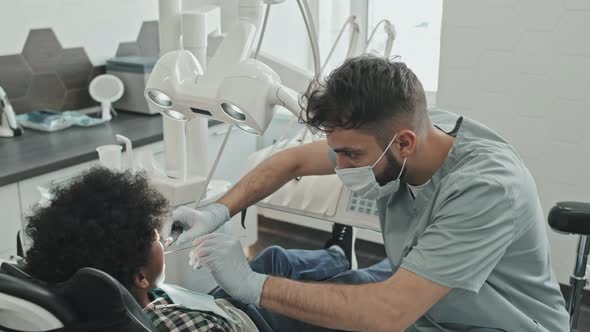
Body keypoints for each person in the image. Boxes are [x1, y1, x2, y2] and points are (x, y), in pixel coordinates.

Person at [163, 55, 570, 331]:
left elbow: (388, 312)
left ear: (405, 143)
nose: (339, 167)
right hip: (429, 311)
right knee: (314, 284)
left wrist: (253, 285)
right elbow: (291, 162)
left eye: (351, 155)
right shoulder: (406, 128)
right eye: (337, 152)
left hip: (489, 324)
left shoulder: (486, 189)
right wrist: (217, 211)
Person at [24, 167, 387, 332]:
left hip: (215, 306)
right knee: (352, 284)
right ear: (138, 276)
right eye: (153, 234)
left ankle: (337, 256)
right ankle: (398, 270)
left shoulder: (116, 296)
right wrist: (251, 286)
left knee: (273, 257)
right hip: (255, 322)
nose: (159, 232)